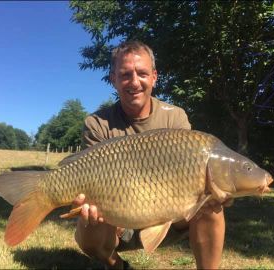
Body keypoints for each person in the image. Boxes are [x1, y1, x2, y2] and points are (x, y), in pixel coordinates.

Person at [73, 40, 227, 269]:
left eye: (142, 73)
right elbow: (91, 179)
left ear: (154, 77)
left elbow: (190, 175)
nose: (134, 82)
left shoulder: (175, 118)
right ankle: (115, 264)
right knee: (89, 223)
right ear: (113, 79)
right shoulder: (97, 123)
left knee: (211, 205)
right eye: (125, 75)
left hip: (170, 217)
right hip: (117, 220)